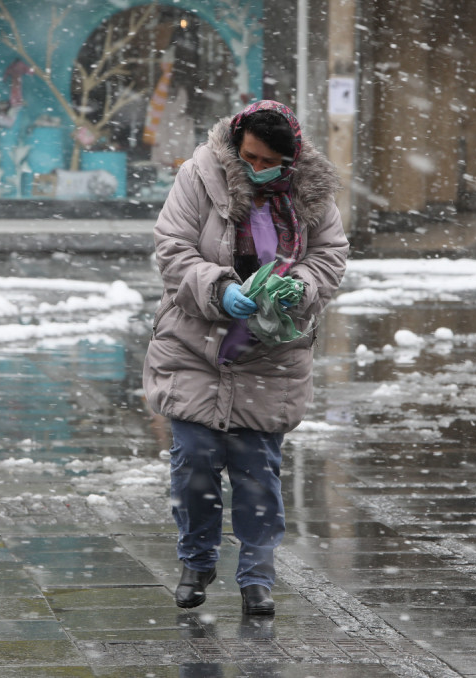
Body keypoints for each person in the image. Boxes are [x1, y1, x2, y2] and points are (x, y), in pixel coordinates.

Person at [143, 100, 348, 615]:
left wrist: (298, 288)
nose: (257, 169)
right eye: (249, 157)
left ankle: (257, 576)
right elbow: (172, 248)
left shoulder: (312, 192)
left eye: (269, 162)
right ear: (237, 143)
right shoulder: (199, 175)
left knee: (258, 472)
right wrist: (216, 288)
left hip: (271, 351)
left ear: (291, 159)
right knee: (194, 461)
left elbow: (329, 256)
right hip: (194, 342)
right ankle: (196, 560)